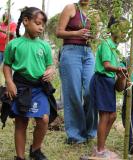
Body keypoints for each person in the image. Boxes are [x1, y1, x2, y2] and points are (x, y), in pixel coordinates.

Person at [3, 7, 54, 160]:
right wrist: (9, 82)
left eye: (43, 25)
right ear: (26, 21)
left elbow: (50, 65)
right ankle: (20, 157)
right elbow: (6, 65)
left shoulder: (44, 46)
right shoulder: (14, 44)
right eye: (38, 23)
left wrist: (51, 71)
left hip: (39, 88)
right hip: (20, 87)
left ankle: (36, 149)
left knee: (44, 119)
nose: (41, 27)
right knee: (21, 122)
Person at [56, 0, 97, 144]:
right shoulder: (70, 8)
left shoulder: (94, 13)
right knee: (73, 92)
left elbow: (94, 35)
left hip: (88, 52)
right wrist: (77, 33)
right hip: (71, 51)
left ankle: (90, 131)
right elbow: (58, 32)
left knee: (91, 91)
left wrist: (93, 36)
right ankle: (75, 135)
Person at [88, 15, 129, 159]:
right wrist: (120, 69)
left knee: (112, 115)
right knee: (105, 115)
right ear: (113, 29)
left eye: (126, 30)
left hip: (108, 82)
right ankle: (100, 150)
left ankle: (101, 146)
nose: (125, 33)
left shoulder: (115, 47)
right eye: (123, 30)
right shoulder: (106, 44)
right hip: (102, 80)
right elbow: (106, 66)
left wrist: (123, 70)